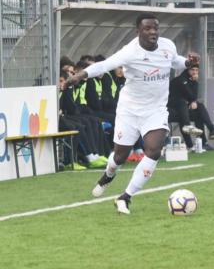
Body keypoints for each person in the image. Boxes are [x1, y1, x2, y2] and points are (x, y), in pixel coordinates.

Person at [63, 13, 200, 215]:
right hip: (129, 110)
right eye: (147, 28)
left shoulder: (167, 46)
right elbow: (104, 65)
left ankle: (125, 197)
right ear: (138, 31)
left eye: (155, 28)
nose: (153, 32)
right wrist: (82, 74)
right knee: (120, 156)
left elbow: (176, 62)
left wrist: (188, 63)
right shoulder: (130, 52)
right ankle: (108, 175)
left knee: (154, 150)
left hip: (156, 110)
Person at [168, 64, 214, 151]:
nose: (195, 72)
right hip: (171, 110)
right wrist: (194, 85)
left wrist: (193, 101)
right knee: (183, 106)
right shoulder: (181, 80)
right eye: (193, 70)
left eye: (196, 70)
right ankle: (190, 145)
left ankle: (207, 137)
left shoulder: (191, 80)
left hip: (183, 110)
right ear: (187, 70)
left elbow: (193, 97)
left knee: (199, 110)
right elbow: (190, 95)